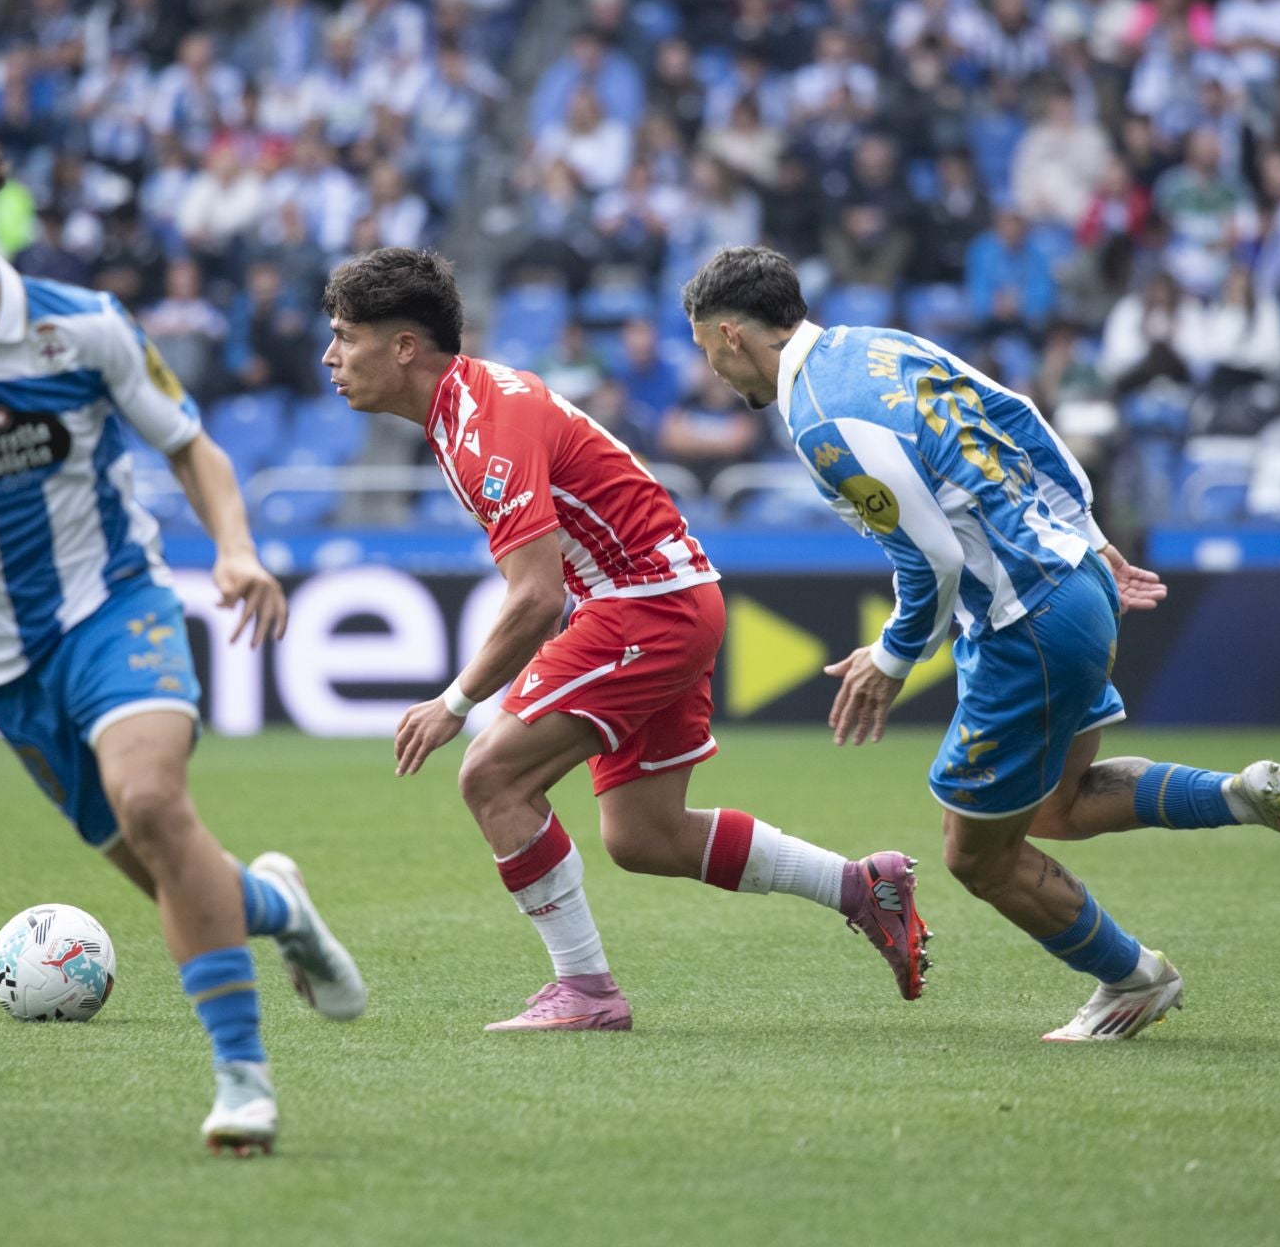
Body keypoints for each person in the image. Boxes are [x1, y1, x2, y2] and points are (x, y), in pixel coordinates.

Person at [0, 139, 364, 1155]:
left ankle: (244, 1084)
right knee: (176, 875)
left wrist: (234, 548)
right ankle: (282, 904)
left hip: (117, 606)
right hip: (3, 666)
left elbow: (191, 445)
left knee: (152, 802)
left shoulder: (85, 326)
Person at [681, 245, 1280, 1043]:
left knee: (975, 855)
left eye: (708, 353)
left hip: (1027, 623)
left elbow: (933, 557)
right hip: (1073, 583)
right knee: (1057, 805)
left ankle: (1134, 979)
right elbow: (1019, 411)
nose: (716, 376)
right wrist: (1088, 535)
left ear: (733, 335)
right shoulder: (881, 345)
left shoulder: (816, 417)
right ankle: (1242, 793)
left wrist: (893, 657)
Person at [321, 247, 930, 1033]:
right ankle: (861, 887)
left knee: (491, 778)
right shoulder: (467, 408)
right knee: (644, 835)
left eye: (344, 335)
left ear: (403, 345)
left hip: (643, 605)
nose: (331, 356)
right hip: (666, 597)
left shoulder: (483, 426)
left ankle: (586, 992)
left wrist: (454, 701)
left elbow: (535, 597)